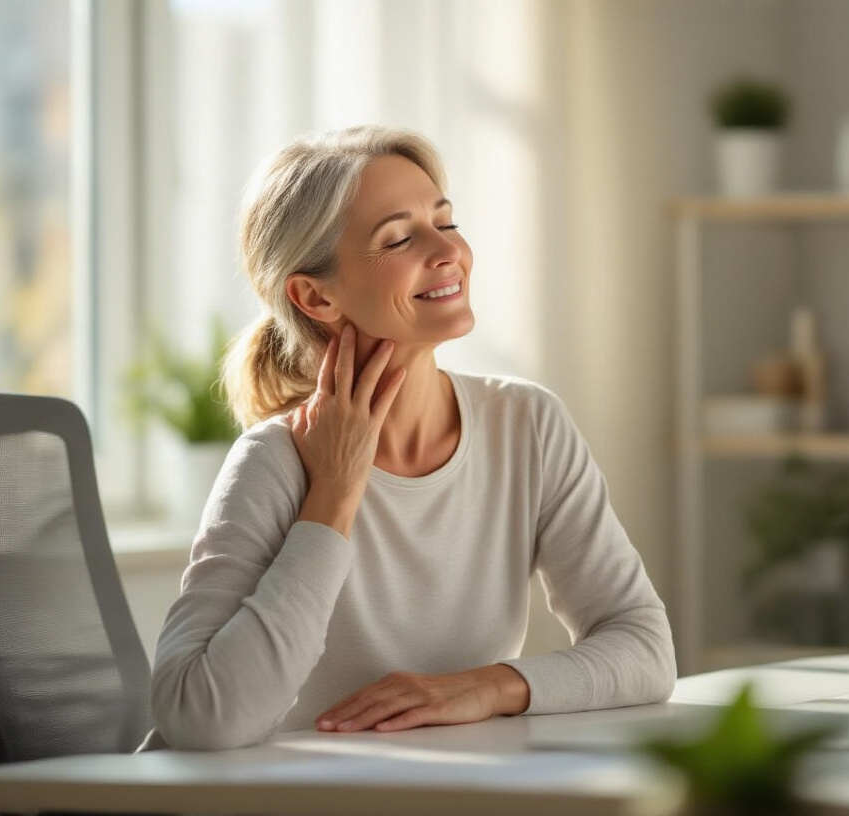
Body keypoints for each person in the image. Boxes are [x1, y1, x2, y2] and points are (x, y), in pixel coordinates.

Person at [146, 125, 675, 751]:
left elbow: (643, 648)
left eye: (445, 223)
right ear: (315, 296)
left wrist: (485, 686)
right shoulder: (275, 461)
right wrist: (334, 497)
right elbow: (198, 719)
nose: (446, 251)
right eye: (398, 238)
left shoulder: (527, 425)